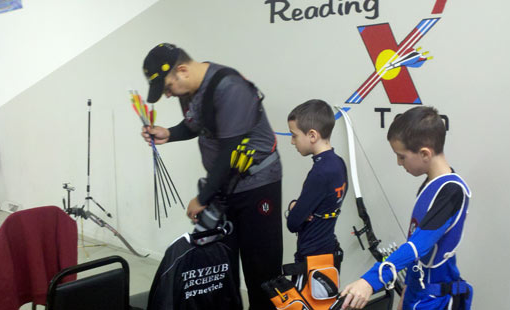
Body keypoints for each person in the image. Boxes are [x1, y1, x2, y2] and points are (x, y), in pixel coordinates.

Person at [140, 43, 283, 310]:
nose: (169, 95)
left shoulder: (230, 87)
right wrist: (168, 133)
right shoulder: (190, 90)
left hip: (257, 187)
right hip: (226, 186)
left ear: (182, 70)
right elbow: (195, 124)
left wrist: (203, 198)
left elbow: (230, 151)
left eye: (168, 88)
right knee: (223, 266)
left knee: (262, 272)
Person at [339, 106, 473, 310]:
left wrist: (370, 281)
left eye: (402, 156)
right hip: (418, 296)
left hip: (436, 302)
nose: (399, 163)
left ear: (425, 153)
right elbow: (416, 248)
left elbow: (419, 245)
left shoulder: (452, 192)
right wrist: (407, 290)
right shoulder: (430, 184)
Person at [283, 99, 347, 307]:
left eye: (294, 135)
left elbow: (293, 223)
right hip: (328, 252)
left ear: (312, 135)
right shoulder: (338, 164)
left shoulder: (320, 173)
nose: (292, 142)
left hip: (311, 258)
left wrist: (294, 206)